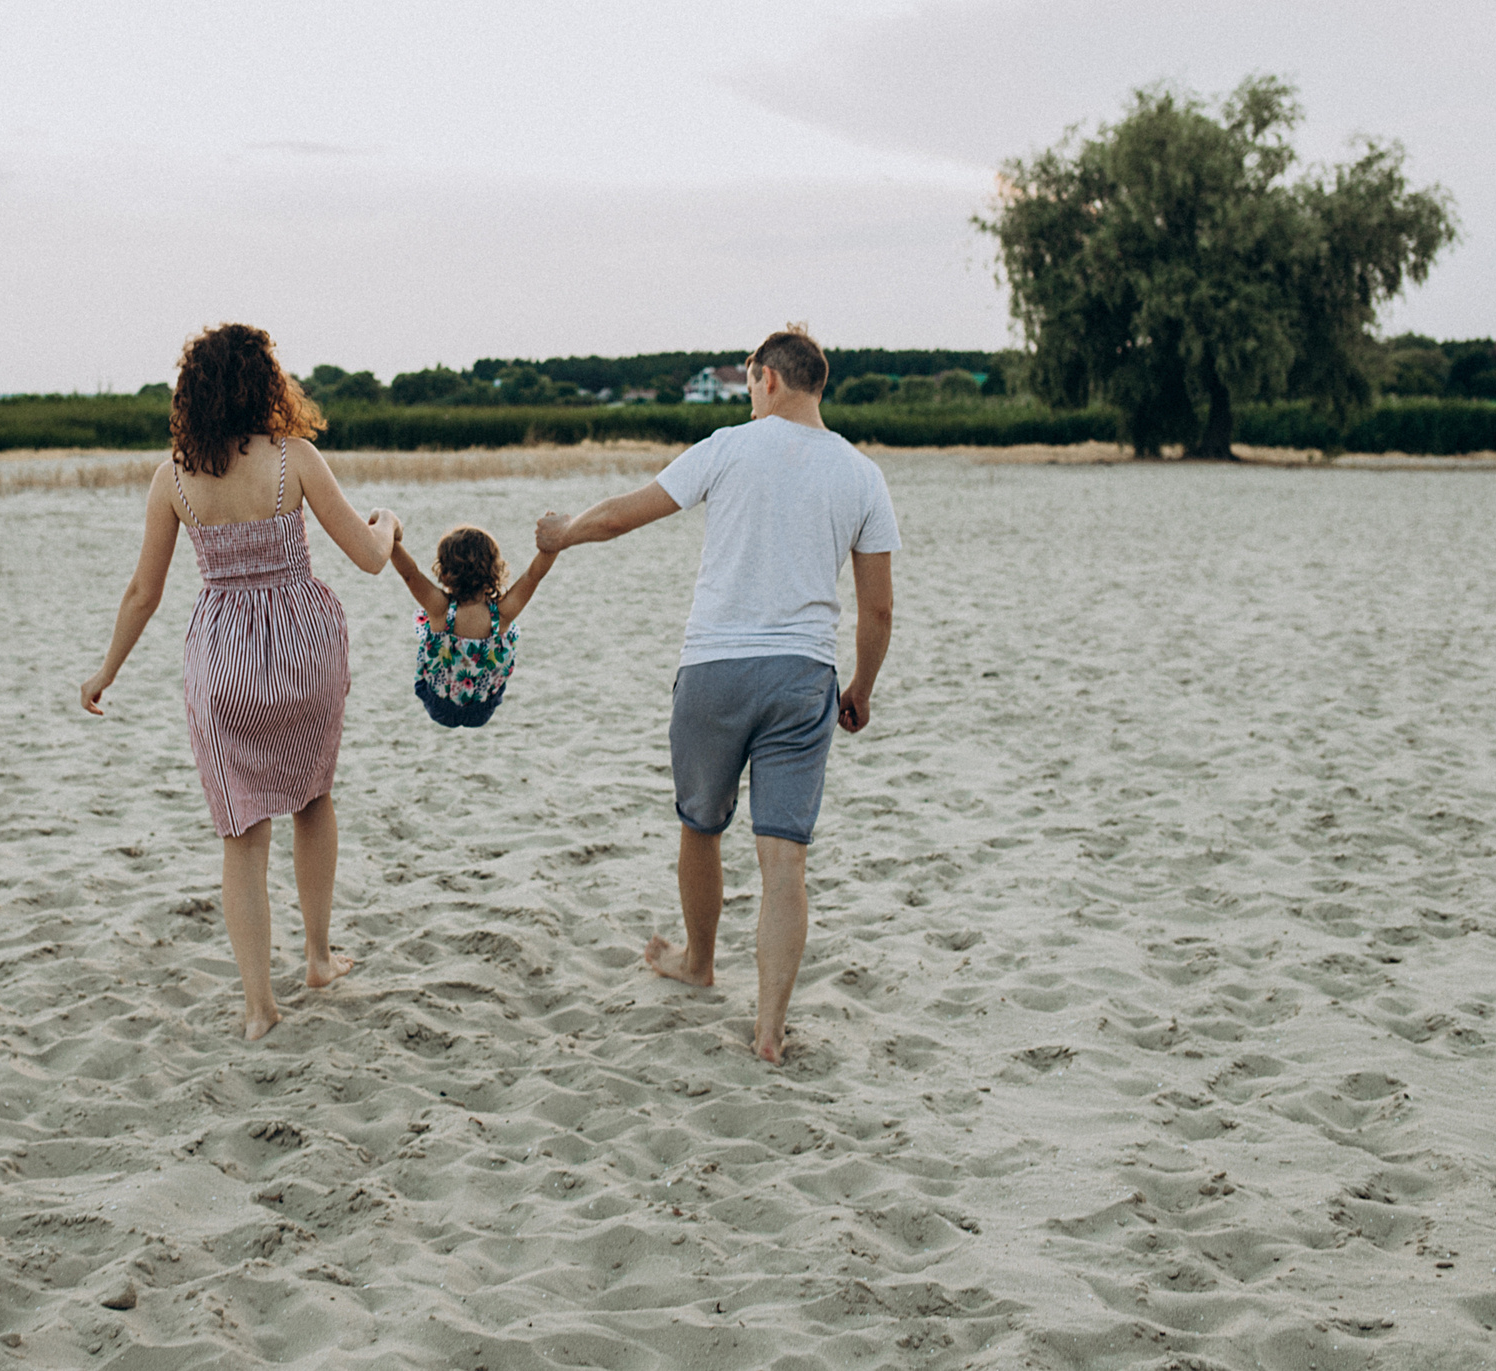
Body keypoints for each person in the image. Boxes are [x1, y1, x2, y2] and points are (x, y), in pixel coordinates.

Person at [536, 326, 898, 1063]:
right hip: (803, 677)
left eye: (750, 383)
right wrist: (860, 687)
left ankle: (698, 961)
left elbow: (622, 514)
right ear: (817, 386)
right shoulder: (862, 474)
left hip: (714, 669)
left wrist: (560, 532)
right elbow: (879, 610)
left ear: (766, 378)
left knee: (701, 825)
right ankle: (768, 1029)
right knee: (784, 860)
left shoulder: (729, 445)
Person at [82, 323, 398, 1040]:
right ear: (266, 385)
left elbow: (143, 591)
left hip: (225, 661)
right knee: (312, 798)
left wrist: (105, 671)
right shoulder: (296, 460)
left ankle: (259, 1009)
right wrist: (389, 524)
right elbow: (370, 557)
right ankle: (318, 957)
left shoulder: (174, 478)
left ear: (191, 393)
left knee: (242, 833)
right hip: (304, 652)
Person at [388, 522, 558, 728]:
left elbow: (410, 574)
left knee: (429, 643)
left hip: (439, 703)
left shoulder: (440, 608)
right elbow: (533, 576)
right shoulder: (501, 614)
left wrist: (392, 539)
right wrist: (553, 543)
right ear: (494, 572)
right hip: (482, 706)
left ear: (444, 573)